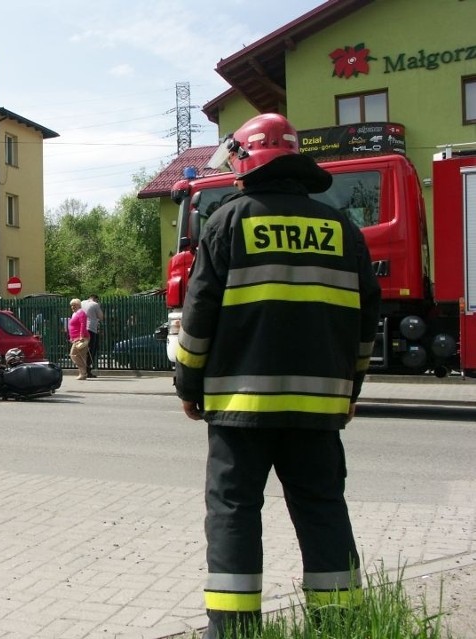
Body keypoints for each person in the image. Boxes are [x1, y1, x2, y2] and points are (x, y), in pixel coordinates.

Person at [174, 113, 381, 638]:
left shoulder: (227, 222)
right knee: (322, 510)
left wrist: (187, 385)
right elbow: (364, 324)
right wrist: (350, 391)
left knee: (233, 512)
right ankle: (340, 625)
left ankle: (234, 629)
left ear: (247, 162)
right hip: (318, 413)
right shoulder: (344, 231)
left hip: (239, 409)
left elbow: (199, 318)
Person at [80, 294, 104, 378]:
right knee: (92, 350)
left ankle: (82, 370)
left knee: (83, 349)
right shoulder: (95, 304)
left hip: (82, 329)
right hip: (91, 329)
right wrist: (98, 307)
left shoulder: (82, 303)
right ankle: (87, 370)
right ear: (95, 299)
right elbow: (101, 317)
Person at [67, 298, 89, 380]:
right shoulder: (75, 314)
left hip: (81, 338)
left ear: (79, 305)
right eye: (71, 305)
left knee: (73, 354)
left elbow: (83, 324)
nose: (72, 307)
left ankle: (83, 372)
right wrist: (71, 338)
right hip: (76, 338)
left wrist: (81, 336)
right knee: (81, 356)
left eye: (74, 305)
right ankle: (82, 373)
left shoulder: (81, 312)